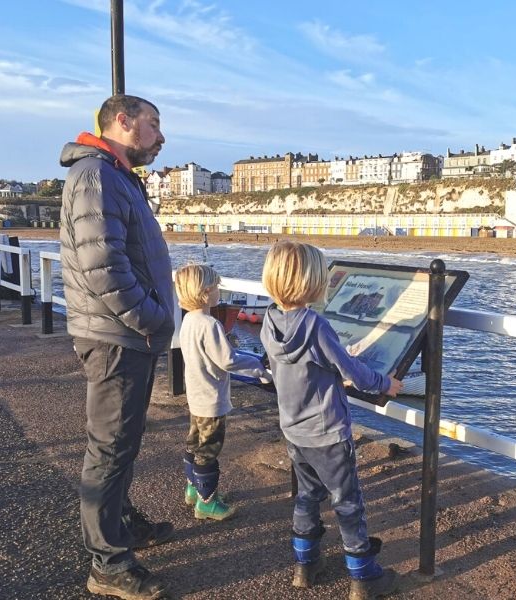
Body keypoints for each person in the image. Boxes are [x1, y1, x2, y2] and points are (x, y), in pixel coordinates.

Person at [60, 94, 173, 600]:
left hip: (126, 336)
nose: (161, 137)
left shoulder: (114, 176)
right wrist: (152, 318)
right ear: (123, 122)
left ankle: (120, 526)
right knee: (108, 448)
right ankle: (107, 563)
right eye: (153, 124)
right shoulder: (96, 177)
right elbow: (102, 268)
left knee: (121, 442)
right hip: (117, 338)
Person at [259, 241, 403, 600]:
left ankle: (304, 566)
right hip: (328, 433)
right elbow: (351, 369)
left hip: (293, 429)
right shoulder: (315, 325)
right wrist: (387, 383)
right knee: (348, 501)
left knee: (307, 496)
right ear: (313, 282)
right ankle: (363, 576)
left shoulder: (269, 320)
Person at [174, 263, 270, 520]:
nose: (219, 292)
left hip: (196, 395)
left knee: (194, 444)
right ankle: (207, 503)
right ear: (206, 293)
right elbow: (227, 360)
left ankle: (193, 490)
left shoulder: (188, 321)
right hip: (211, 399)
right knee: (209, 449)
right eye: (216, 287)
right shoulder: (210, 324)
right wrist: (256, 366)